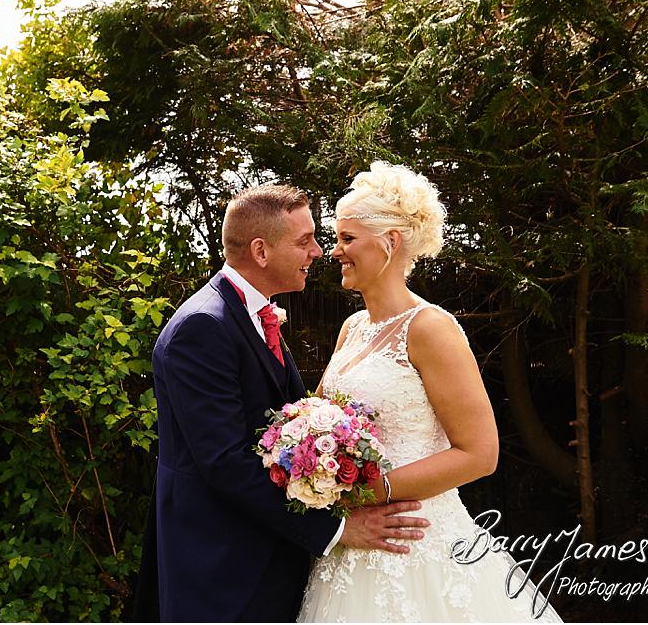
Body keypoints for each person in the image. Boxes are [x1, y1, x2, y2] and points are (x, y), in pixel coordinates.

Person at [137, 184, 431, 622]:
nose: (318, 251)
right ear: (260, 251)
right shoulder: (202, 328)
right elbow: (224, 463)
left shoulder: (253, 315)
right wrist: (337, 529)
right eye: (304, 240)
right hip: (219, 568)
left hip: (266, 555)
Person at [297, 162, 562, 622]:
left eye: (347, 238)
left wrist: (370, 492)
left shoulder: (431, 328)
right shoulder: (352, 329)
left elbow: (480, 453)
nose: (335, 251)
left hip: (415, 540)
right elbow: (320, 423)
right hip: (353, 542)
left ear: (390, 242)